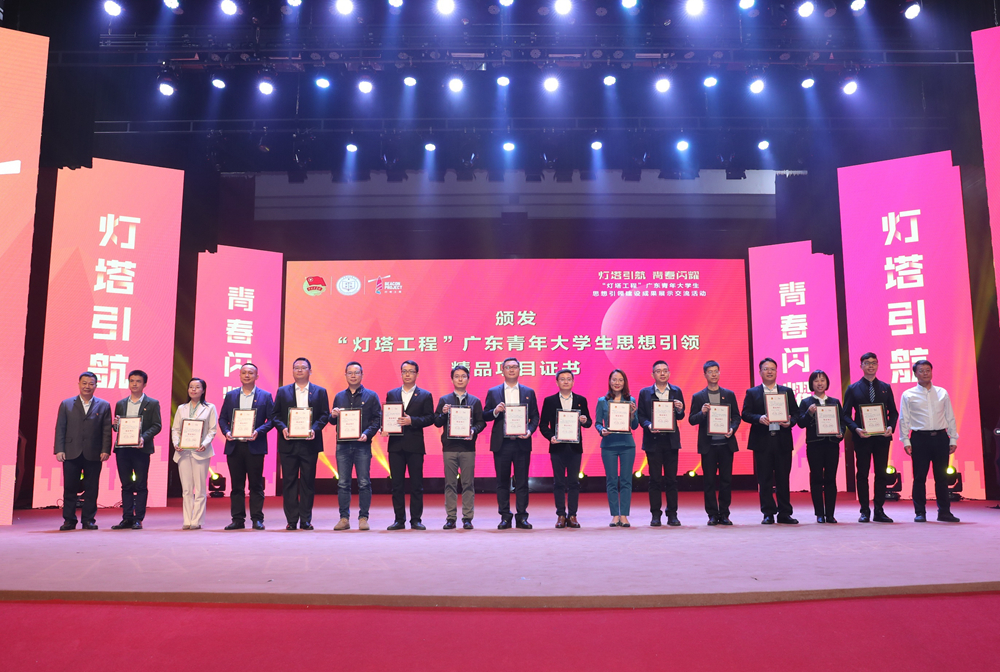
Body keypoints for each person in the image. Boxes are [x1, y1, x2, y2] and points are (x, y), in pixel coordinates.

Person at [271, 357, 331, 531]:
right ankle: (291, 520)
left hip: (309, 444)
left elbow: (324, 415)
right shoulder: (283, 391)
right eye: (296, 367)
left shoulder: (320, 391)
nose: (299, 370)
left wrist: (314, 429)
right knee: (289, 482)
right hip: (288, 443)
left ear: (310, 371)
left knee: (307, 482)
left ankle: (305, 519)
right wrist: (283, 428)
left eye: (303, 367)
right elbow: (275, 415)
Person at [899, 360, 960, 523]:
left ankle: (944, 512)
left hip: (940, 438)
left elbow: (950, 416)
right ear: (915, 374)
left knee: (942, 477)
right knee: (919, 477)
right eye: (921, 370)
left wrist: (953, 438)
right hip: (920, 439)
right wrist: (906, 441)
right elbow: (904, 419)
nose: (925, 373)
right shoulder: (908, 394)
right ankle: (920, 512)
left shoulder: (942, 392)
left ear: (932, 372)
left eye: (928, 370)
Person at [483, 357, 540, 529]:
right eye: (508, 367)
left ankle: (522, 517)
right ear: (502, 370)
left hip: (522, 443)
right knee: (502, 482)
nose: (511, 370)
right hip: (502, 444)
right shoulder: (493, 392)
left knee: (522, 482)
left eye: (515, 367)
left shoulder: (529, 392)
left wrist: (529, 431)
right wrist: (495, 411)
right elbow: (485, 415)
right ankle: (505, 517)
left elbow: (535, 416)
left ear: (519, 370)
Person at [742, 357, 800, 525]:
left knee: (783, 479)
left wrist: (790, 422)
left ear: (776, 372)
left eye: (772, 369)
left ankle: (785, 513)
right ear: (760, 372)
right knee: (764, 479)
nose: (769, 372)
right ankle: (768, 513)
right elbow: (745, 414)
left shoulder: (786, 391)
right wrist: (758, 418)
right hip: (762, 441)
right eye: (766, 369)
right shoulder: (752, 392)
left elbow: (796, 414)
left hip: (782, 440)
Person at [843, 352, 899, 523]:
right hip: (862, 437)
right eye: (867, 363)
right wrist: (856, 429)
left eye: (874, 363)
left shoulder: (885, 387)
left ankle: (879, 510)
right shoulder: (853, 388)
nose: (871, 366)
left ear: (878, 365)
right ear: (861, 366)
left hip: (882, 438)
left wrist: (890, 427)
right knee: (862, 474)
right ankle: (864, 511)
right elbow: (845, 414)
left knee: (881, 474)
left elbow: (893, 413)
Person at [218, 363, 274, 530]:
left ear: (257, 376)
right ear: (240, 376)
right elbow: (222, 418)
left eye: (251, 373)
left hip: (255, 445)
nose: (247, 375)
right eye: (244, 373)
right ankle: (237, 519)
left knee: (256, 485)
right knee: (237, 485)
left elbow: (272, 420)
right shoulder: (231, 395)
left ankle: (257, 519)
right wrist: (227, 432)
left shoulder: (265, 396)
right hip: (235, 446)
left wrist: (258, 431)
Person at [55, 372, 112, 530]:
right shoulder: (66, 404)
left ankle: (88, 520)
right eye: (84, 383)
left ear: (96, 386)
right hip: (71, 451)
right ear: (79, 384)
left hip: (94, 452)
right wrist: (59, 449)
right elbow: (60, 428)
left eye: (91, 384)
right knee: (70, 488)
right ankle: (69, 520)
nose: (87, 386)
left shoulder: (104, 405)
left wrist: (105, 449)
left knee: (92, 488)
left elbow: (107, 430)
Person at [688, 360, 741, 526]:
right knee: (709, 481)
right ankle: (712, 514)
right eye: (710, 372)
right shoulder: (698, 397)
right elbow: (691, 419)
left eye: (716, 371)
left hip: (726, 444)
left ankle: (724, 514)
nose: (713, 374)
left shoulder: (729, 394)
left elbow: (736, 416)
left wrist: (732, 429)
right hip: (708, 446)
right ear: (705, 374)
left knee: (726, 481)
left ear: (719, 373)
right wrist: (702, 413)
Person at [330, 361, 381, 531]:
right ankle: (344, 518)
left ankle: (363, 518)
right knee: (343, 483)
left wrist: (367, 433)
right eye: (350, 373)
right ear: (345, 375)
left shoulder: (371, 396)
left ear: (362, 375)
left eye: (356, 372)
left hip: (362, 446)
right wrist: (333, 415)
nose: (353, 376)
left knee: (364, 482)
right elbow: (332, 421)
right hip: (343, 446)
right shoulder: (339, 396)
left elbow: (377, 420)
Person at [433, 365, 486, 530]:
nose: (460, 379)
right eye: (457, 376)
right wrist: (443, 413)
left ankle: (467, 518)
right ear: (452, 379)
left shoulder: (475, 401)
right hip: (449, 447)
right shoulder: (444, 400)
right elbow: (437, 422)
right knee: (450, 484)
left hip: (468, 448)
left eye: (463, 376)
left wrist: (473, 430)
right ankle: (451, 518)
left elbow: (481, 422)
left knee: (468, 483)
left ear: (468, 379)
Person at [384, 360, 435, 530]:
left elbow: (430, 418)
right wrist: (385, 427)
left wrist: (411, 420)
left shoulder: (425, 395)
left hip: (415, 445)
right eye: (404, 371)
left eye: (411, 371)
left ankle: (416, 520)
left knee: (416, 485)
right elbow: (388, 416)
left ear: (417, 374)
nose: (407, 374)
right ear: (401, 373)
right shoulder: (392, 394)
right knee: (397, 485)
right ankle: (399, 520)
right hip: (395, 445)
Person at [538, 368, 592, 528]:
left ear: (573, 382)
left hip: (575, 448)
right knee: (559, 483)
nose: (566, 381)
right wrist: (551, 437)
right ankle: (561, 515)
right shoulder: (550, 401)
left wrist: (584, 421)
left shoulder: (581, 400)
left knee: (574, 482)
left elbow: (589, 422)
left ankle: (573, 515)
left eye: (569, 379)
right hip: (557, 448)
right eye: (562, 379)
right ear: (557, 382)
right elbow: (543, 425)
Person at [110, 370, 162, 530]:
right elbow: (117, 427)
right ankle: (126, 518)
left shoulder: (152, 403)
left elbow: (157, 425)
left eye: (138, 381)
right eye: (132, 381)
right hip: (123, 449)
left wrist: (143, 438)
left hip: (141, 449)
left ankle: (138, 518)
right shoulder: (121, 403)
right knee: (126, 485)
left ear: (144, 384)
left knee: (140, 484)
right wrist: (115, 424)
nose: (134, 384)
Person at [636, 360, 686, 527]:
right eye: (658, 371)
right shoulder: (645, 393)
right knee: (655, 480)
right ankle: (655, 515)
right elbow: (641, 416)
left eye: (665, 370)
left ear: (669, 373)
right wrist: (649, 425)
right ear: (653, 374)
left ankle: (672, 515)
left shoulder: (676, 391)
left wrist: (680, 409)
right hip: (653, 441)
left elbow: (681, 416)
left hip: (671, 441)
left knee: (672, 480)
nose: (662, 373)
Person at [796, 370, 845, 524]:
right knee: (816, 478)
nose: (820, 383)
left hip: (831, 445)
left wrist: (841, 433)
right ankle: (819, 513)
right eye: (816, 380)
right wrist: (809, 413)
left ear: (827, 383)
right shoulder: (806, 402)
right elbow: (800, 423)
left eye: (822, 380)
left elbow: (842, 422)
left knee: (831, 478)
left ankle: (830, 514)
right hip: (814, 445)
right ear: (812, 384)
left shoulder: (834, 402)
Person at [171, 378, 218, 530]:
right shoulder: (181, 408)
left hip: (201, 452)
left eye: (197, 387)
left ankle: (197, 520)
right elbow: (175, 429)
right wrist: (176, 443)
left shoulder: (209, 408)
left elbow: (212, 430)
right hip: (183, 452)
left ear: (203, 390)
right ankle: (187, 519)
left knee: (200, 488)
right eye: (191, 387)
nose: (193, 390)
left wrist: (205, 444)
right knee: (186, 488)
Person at [595, 369, 639, 527]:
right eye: (614, 380)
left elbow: (635, 425)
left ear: (624, 382)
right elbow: (597, 423)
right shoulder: (602, 401)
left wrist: (633, 414)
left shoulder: (631, 400)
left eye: (620, 380)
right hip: (609, 445)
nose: (617, 383)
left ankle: (624, 515)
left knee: (626, 481)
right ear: (609, 381)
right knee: (611, 481)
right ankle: (615, 515)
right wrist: (602, 430)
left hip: (627, 445)